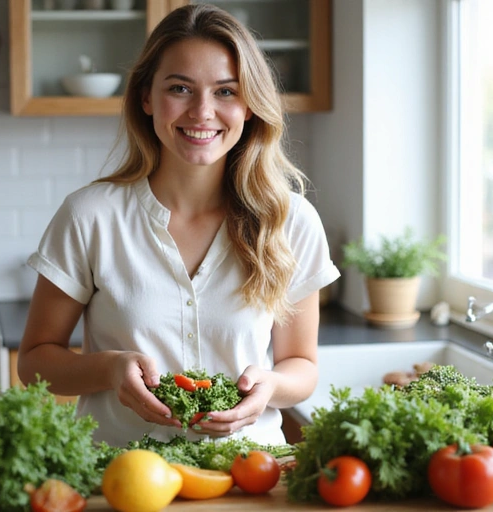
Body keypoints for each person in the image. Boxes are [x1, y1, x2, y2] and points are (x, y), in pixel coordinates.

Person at [18, 3, 340, 447]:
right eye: (180, 88)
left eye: (226, 91)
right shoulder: (90, 216)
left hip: (248, 476)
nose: (202, 111)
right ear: (147, 97)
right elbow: (35, 362)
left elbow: (301, 364)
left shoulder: (291, 221)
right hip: (121, 478)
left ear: (249, 106)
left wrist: (270, 385)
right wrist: (110, 369)